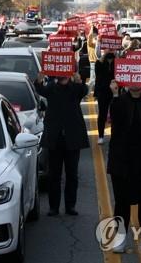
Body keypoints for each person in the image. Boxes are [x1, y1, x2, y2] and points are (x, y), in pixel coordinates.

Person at [107, 79, 141, 253]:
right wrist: (115, 93)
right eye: (131, 79)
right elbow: (115, 119)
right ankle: (121, 238)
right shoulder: (120, 100)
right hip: (122, 160)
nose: (135, 83)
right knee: (122, 202)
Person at [35, 72, 89, 216]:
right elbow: (40, 89)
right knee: (54, 175)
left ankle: (70, 206)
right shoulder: (51, 88)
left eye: (65, 76)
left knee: (72, 175)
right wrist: (40, 78)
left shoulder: (75, 89)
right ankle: (54, 207)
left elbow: (84, 90)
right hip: (55, 139)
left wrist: (78, 80)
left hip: (72, 138)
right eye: (60, 76)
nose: (63, 78)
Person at [94, 49, 115, 145]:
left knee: (116, 114)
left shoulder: (117, 62)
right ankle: (101, 135)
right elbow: (97, 76)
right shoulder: (100, 63)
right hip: (103, 92)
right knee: (102, 114)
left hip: (115, 91)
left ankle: (115, 135)